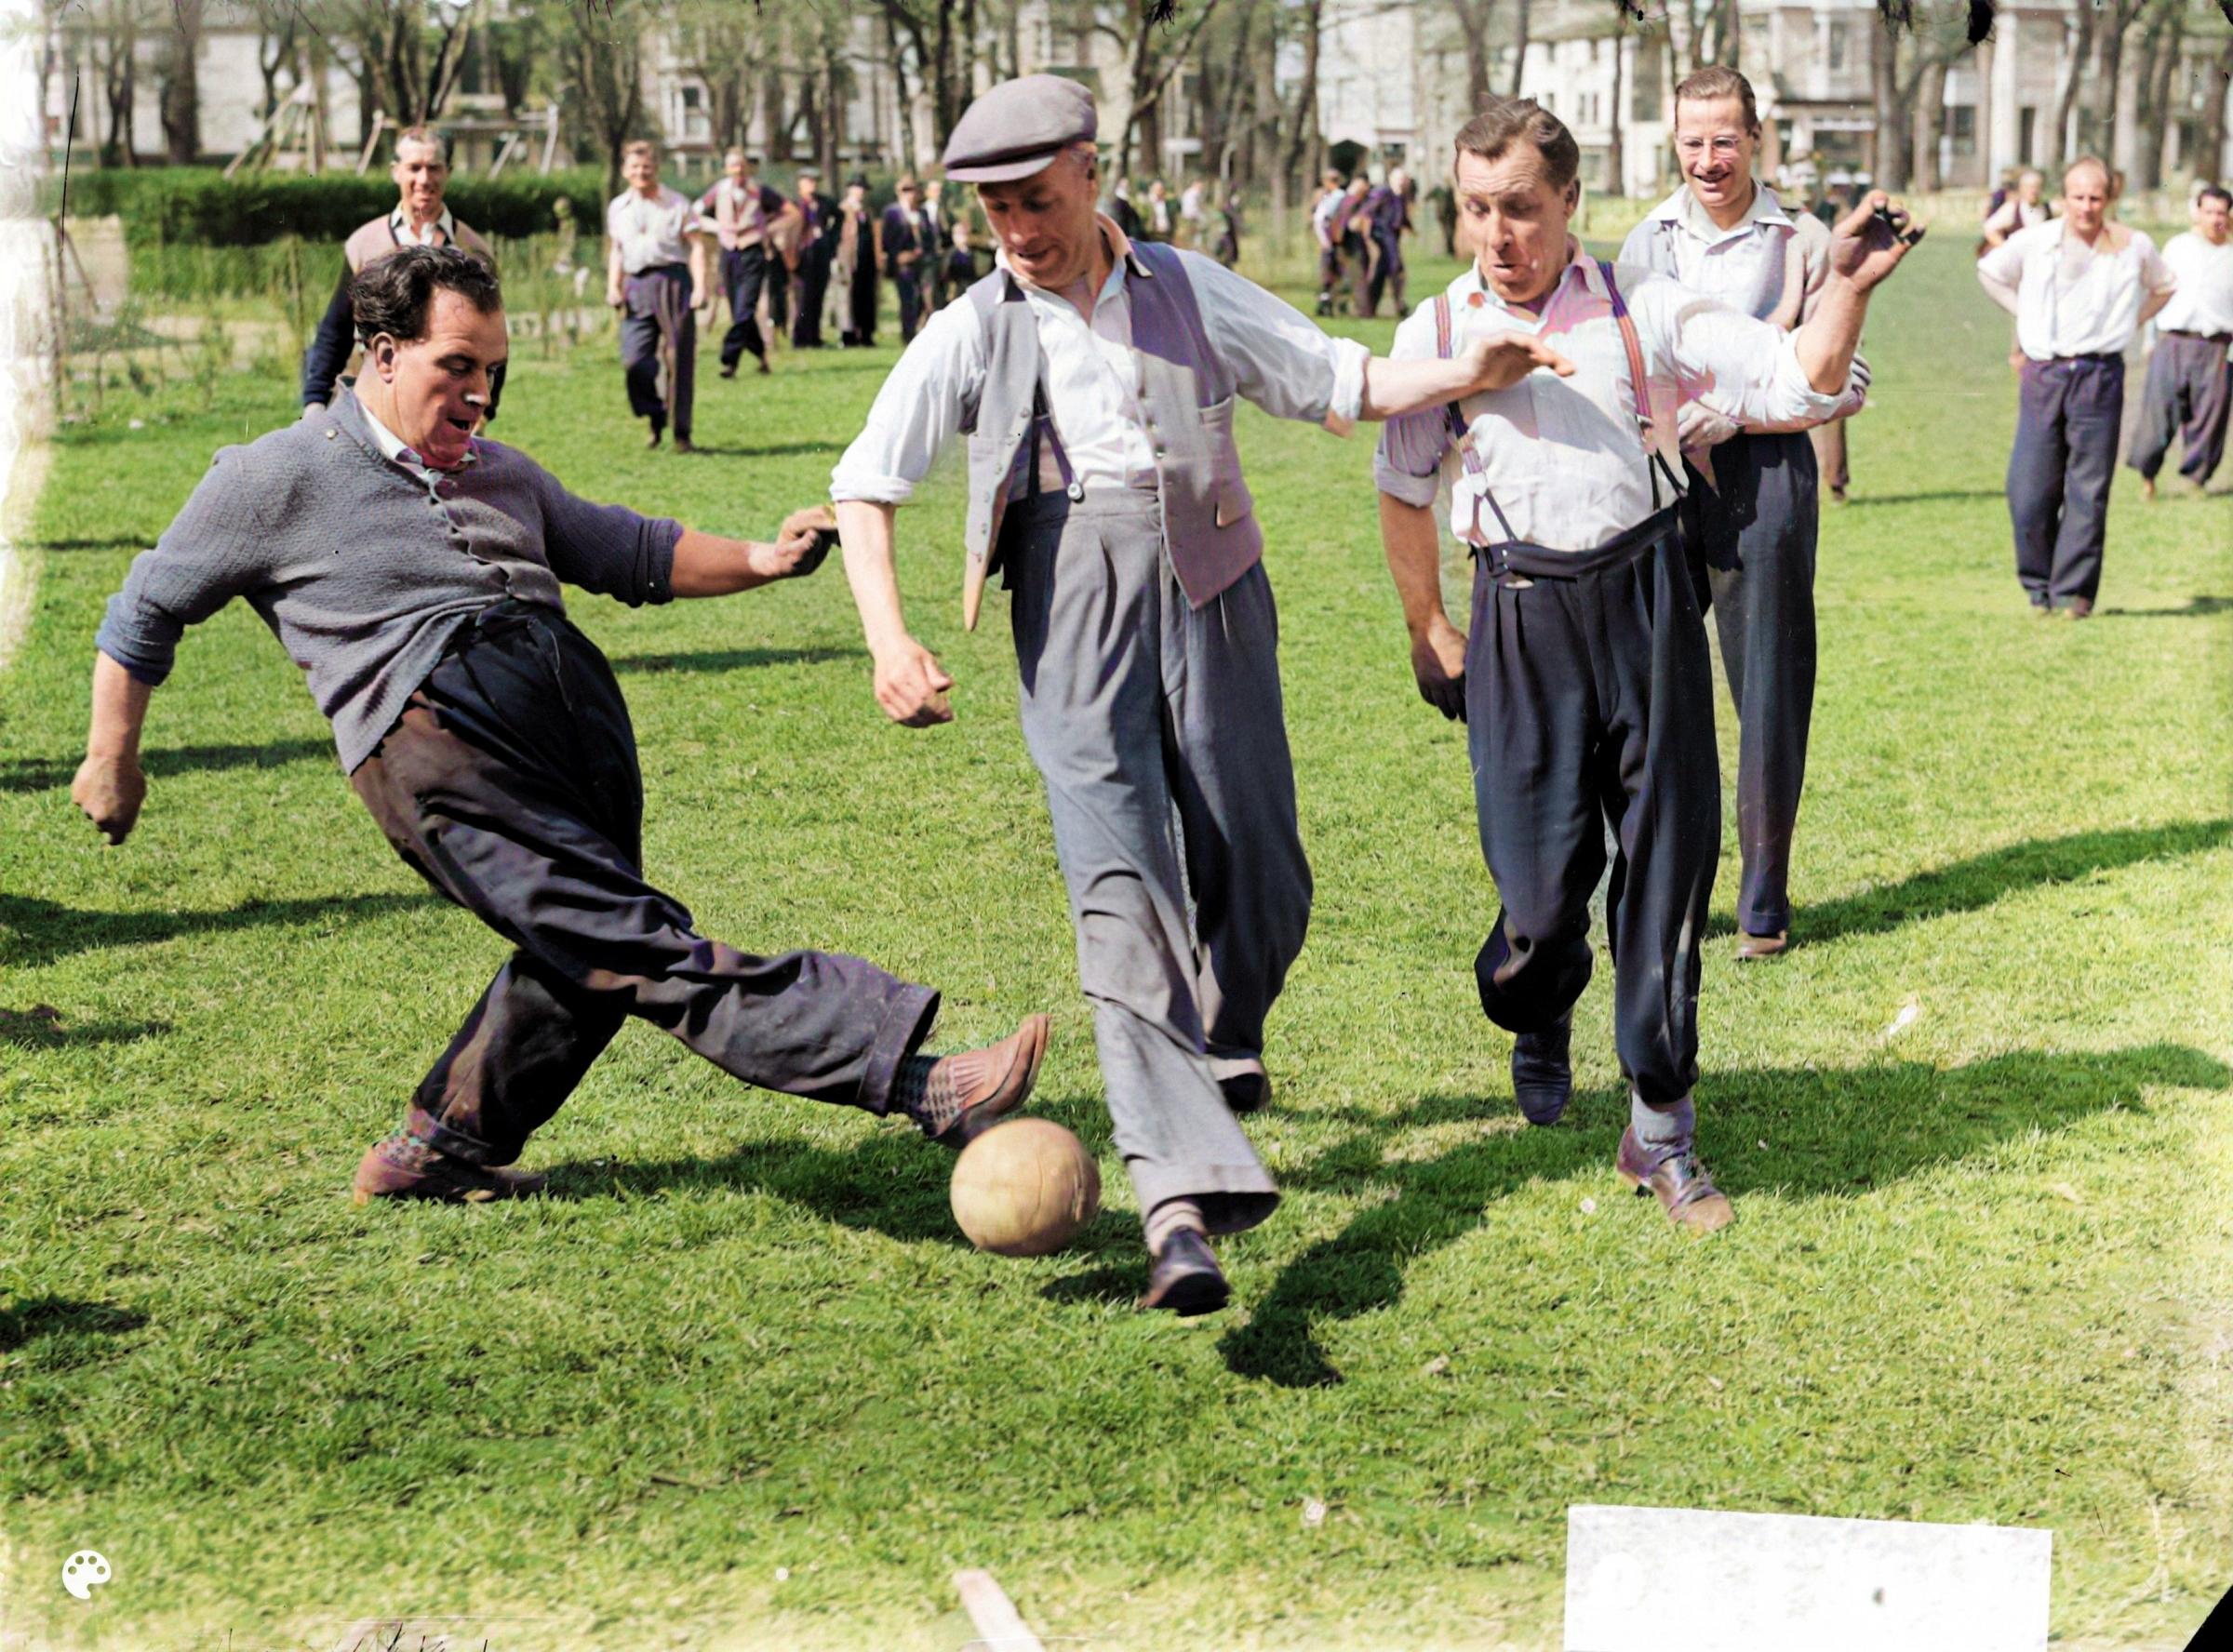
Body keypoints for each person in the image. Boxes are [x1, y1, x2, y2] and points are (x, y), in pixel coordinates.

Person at [73, 246, 1050, 1206]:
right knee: (632, 941)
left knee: (585, 951)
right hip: (440, 749)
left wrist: (766, 557)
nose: (480, 394)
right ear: (380, 355)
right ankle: (916, 1079)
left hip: (572, 736)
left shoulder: (503, 471)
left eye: (492, 371)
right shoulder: (273, 475)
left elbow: (629, 550)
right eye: (456, 366)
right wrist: (112, 760)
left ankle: (441, 1147)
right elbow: (144, 608)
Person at [828, 75, 1570, 1313]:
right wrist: (888, 640)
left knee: (1261, 871)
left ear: (1089, 168)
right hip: (1069, 610)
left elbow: (1336, 379)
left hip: (1216, 588)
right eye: (996, 210)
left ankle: (1224, 1034)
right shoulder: (972, 326)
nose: (1020, 229)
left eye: (1039, 198)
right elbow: (867, 480)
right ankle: (1180, 1204)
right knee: (1124, 904)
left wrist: (1461, 368)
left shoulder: (1184, 284)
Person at [1374, 99, 1915, 1232]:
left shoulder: (1644, 311)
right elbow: (1402, 482)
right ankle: (1539, 1000)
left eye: (1520, 208)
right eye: (1478, 210)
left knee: (1666, 872)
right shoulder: (1434, 332)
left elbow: (1797, 380)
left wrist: (1851, 293)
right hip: (1518, 618)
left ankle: (1660, 1130)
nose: (1497, 235)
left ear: (1571, 203)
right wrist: (1429, 624)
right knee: (1535, 900)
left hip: (1647, 602)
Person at [1621, 67, 1867, 962]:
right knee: (1648, 689)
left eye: (1725, 139)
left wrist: (1746, 413)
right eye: (1692, 141)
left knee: (1766, 688)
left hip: (1765, 476)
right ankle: (1660, 895)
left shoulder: (1803, 239)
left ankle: (1763, 900)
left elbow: (1850, 379)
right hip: (1660, 478)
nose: (1708, 159)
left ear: (1755, 137)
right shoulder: (1642, 240)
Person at [1976, 156, 2175, 617]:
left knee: (2088, 486)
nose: (2086, 207)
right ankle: (2038, 585)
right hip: (2044, 373)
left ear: (2109, 199)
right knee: (2028, 487)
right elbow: (1990, 272)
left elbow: (2165, 286)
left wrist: (2129, 324)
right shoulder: (2035, 241)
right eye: (2078, 197)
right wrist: (2023, 316)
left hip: (2100, 374)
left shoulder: (2133, 245)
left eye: (2096, 198)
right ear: (2063, 198)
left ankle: (2075, 593)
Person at [301, 127, 498, 420]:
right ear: (396, 172)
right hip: (371, 405)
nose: (424, 179)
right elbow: (336, 328)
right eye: (414, 168)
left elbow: (491, 340)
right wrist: (315, 401)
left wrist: (482, 411)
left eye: (434, 168)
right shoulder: (365, 245)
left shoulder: (473, 251)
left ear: (448, 172)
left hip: (445, 410)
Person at [2132, 185, 2233, 499]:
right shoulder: (2179, 247)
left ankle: (2196, 479)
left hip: (2217, 344)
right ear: (2197, 213)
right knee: (2159, 412)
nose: (2215, 219)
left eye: (2221, 212)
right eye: (2209, 212)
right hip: (2174, 340)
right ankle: (2148, 475)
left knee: (2210, 416)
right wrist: (2150, 338)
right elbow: (2158, 291)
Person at [606, 141, 708, 453]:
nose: (641, 173)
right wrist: (613, 285)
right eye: (634, 167)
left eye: (646, 167)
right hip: (636, 285)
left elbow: (697, 246)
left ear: (656, 169)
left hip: (672, 281)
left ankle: (681, 434)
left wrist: (701, 287)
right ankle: (654, 414)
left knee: (678, 358)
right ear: (625, 171)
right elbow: (617, 251)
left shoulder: (677, 204)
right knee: (634, 360)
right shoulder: (618, 208)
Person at [696, 148, 799, 380]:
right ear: (726, 169)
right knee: (739, 311)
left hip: (753, 253)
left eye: (741, 165)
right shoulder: (718, 191)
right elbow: (695, 214)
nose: (738, 170)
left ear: (748, 168)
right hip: (729, 253)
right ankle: (761, 356)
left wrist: (767, 229)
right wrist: (717, 228)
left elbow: (792, 213)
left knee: (745, 307)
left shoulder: (759, 191)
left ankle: (729, 360)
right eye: (733, 165)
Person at [790, 167, 840, 348]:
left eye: (814, 181)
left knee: (818, 296)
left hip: (821, 252)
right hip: (802, 255)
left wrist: (832, 238)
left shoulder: (824, 203)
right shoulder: (794, 204)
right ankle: (800, 337)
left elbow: (839, 217)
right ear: (800, 184)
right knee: (803, 297)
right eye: (808, 181)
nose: (812, 185)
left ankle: (814, 336)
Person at [881, 178, 930, 343]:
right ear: (899, 192)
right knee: (907, 298)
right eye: (905, 190)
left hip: (922, 261)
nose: (909, 194)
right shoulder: (892, 212)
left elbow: (929, 236)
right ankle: (908, 335)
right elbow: (886, 240)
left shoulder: (922, 213)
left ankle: (920, 330)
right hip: (903, 263)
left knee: (923, 299)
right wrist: (898, 256)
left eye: (912, 190)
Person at [1363, 166, 1412, 318]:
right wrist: (1373, 234)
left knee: (1385, 272)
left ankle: (1376, 307)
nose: (1401, 182)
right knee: (1395, 269)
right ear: (1391, 179)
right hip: (1383, 237)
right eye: (1398, 179)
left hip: (1392, 238)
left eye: (1403, 179)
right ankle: (1395, 305)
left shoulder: (1401, 196)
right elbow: (1368, 212)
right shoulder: (1383, 193)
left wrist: (1410, 227)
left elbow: (1401, 216)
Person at [836, 176, 878, 347]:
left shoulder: (867, 211)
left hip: (866, 260)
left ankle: (866, 334)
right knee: (847, 299)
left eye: (863, 189)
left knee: (866, 297)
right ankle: (848, 336)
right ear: (850, 189)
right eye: (858, 188)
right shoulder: (843, 209)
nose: (861, 192)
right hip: (848, 260)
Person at [1981, 167, 2052, 251]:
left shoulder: (2047, 209)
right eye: (2030, 187)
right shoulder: (2013, 208)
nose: (2034, 191)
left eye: (2037, 187)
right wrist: (2007, 250)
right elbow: (1989, 229)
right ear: (2021, 188)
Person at [1310, 170, 1348, 315]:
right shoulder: (1332, 196)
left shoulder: (1336, 197)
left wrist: (1324, 240)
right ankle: (1328, 303)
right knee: (1330, 275)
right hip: (1330, 240)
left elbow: (1320, 219)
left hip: (1330, 240)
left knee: (1330, 275)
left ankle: (1329, 303)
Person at [920, 177, 954, 311]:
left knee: (942, 286)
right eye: (934, 190)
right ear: (927, 192)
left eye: (939, 190)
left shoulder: (946, 211)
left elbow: (948, 230)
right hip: (927, 254)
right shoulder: (922, 210)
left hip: (943, 253)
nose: (937, 193)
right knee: (929, 287)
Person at [1212, 186, 1243, 269]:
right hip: (1223, 234)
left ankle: (1226, 266)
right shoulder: (1225, 208)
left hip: (1228, 232)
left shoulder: (1231, 208)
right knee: (1226, 250)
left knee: (1229, 252)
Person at [1179, 176, 1206, 247]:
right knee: (1195, 234)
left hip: (1187, 216)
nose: (1202, 187)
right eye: (1200, 185)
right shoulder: (1195, 193)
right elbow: (1198, 207)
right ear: (1195, 184)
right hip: (1193, 217)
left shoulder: (1188, 192)